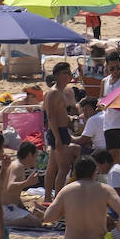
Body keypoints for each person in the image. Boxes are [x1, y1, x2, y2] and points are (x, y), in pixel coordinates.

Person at [43, 62, 78, 197]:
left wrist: (69, 119)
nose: (69, 76)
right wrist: (57, 137)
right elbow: (51, 117)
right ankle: (58, 198)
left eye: (70, 73)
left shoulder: (63, 91)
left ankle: (48, 197)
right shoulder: (54, 93)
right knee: (63, 169)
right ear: (57, 75)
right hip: (58, 131)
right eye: (66, 73)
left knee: (52, 167)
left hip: (61, 130)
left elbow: (59, 114)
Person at [1, 141, 44, 228]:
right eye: (35, 156)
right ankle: (2, 224)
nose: (36, 159)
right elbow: (10, 186)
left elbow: (14, 194)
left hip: (7, 207)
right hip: (6, 208)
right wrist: (27, 183)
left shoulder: (16, 164)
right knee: (36, 222)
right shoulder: (18, 166)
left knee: (38, 215)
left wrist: (24, 209)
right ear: (29, 155)